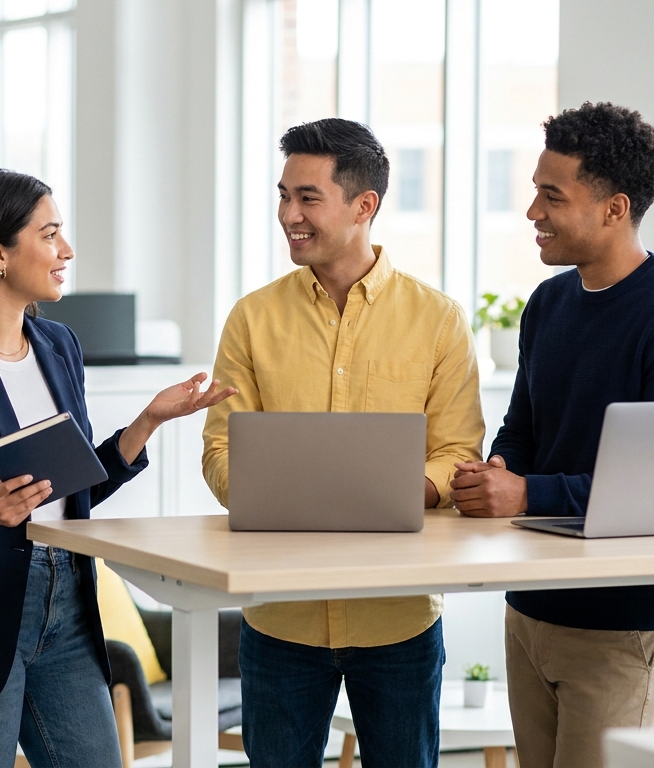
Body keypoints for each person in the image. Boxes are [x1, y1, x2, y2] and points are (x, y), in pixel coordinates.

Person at [0, 168, 235, 767]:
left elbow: (70, 481)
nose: (65, 250)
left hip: (67, 599)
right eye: (49, 234)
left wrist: (146, 423)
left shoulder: (58, 346)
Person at [449, 102, 654, 768]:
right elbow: (526, 427)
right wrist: (493, 471)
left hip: (622, 623)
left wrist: (524, 494)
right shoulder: (547, 303)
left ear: (614, 208)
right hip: (530, 612)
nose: (532, 212)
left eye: (551, 195)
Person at [202, 118, 485, 768]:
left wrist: (396, 491)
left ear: (365, 207)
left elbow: (457, 453)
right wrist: (299, 494)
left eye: (307, 198)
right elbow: (220, 451)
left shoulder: (437, 321)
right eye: (282, 196)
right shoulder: (252, 319)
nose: (287, 215)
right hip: (280, 618)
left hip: (399, 618)